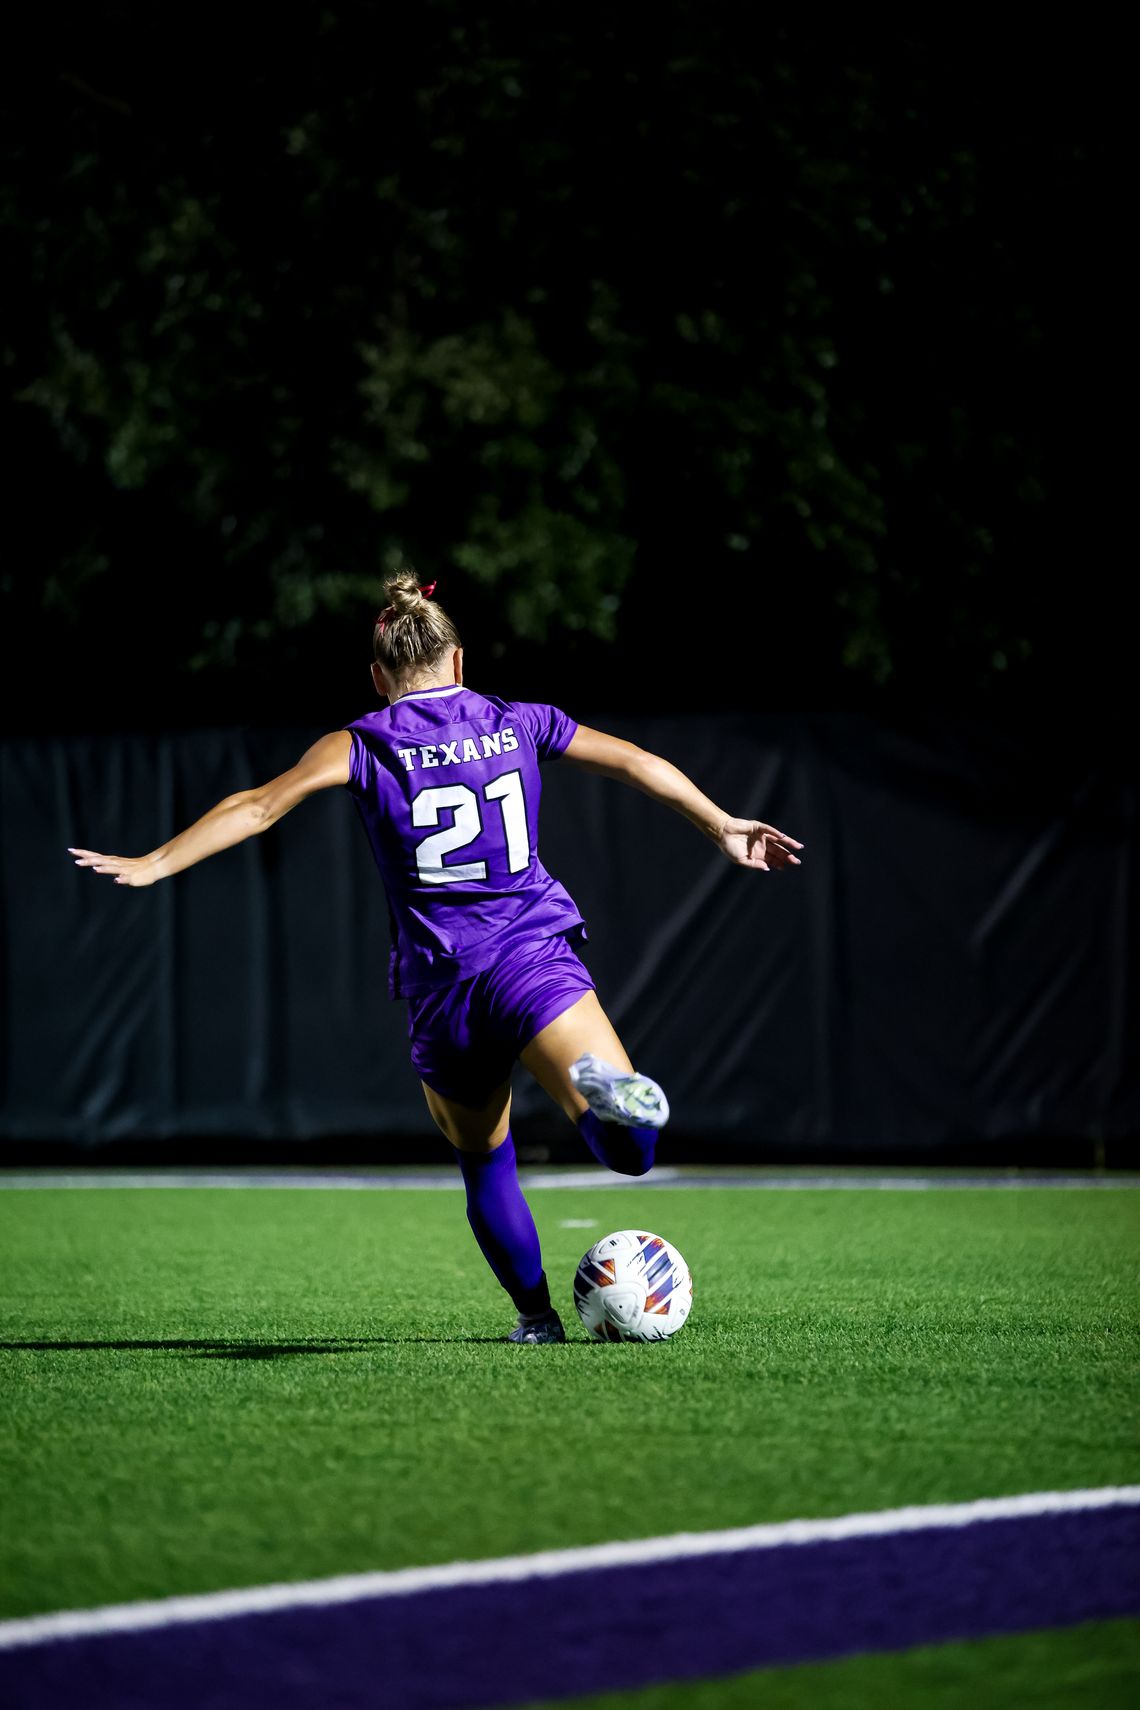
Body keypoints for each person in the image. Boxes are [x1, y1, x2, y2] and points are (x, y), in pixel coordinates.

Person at [69, 572, 803, 1343]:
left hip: (442, 989)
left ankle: (537, 1320)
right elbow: (634, 761)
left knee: (486, 1164)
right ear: (458, 661)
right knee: (629, 1154)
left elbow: (257, 808)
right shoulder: (519, 721)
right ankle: (612, 1102)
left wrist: (157, 861)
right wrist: (721, 823)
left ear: (378, 677)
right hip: (530, 958)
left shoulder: (362, 743)